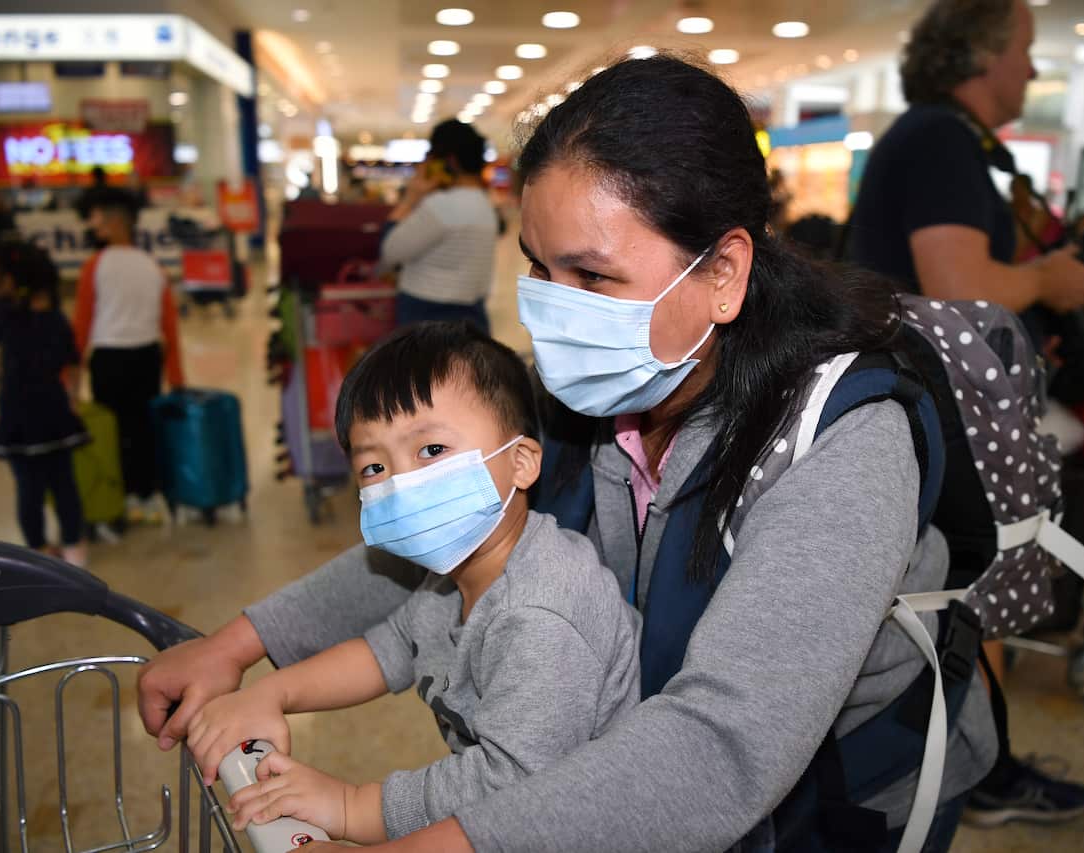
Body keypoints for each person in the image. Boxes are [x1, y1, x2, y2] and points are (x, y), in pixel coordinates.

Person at [138, 55, 998, 852]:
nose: (555, 313)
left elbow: (720, 748)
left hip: (847, 793)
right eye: (539, 270)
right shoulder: (594, 392)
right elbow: (445, 525)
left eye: (592, 277)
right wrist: (238, 643)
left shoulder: (843, 438)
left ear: (725, 271)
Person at [185, 321, 641, 843]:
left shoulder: (543, 613)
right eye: (374, 466)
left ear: (520, 462)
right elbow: (394, 645)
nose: (402, 484)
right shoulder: (454, 574)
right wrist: (272, 693)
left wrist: (350, 806)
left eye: (430, 451)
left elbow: (511, 787)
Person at [847, 0, 1084, 830]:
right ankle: (979, 763)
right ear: (982, 53)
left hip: (919, 396)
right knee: (970, 584)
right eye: (1025, 49)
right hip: (936, 402)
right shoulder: (939, 139)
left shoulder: (933, 137)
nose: (1032, 68)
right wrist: (1050, 280)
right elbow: (958, 286)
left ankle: (978, 756)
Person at [0, 241, 88, 567]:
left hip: (17, 416)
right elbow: (73, 364)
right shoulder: (57, 319)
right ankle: (75, 549)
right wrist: (73, 399)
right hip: (55, 411)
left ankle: (39, 551)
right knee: (64, 484)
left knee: (28, 489)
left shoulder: (5, 317)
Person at [73, 188, 184, 524]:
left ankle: (119, 501)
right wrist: (176, 377)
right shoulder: (153, 266)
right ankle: (147, 496)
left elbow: (81, 324)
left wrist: (72, 379)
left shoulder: (95, 266)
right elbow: (169, 327)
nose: (93, 226)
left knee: (114, 431)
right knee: (144, 427)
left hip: (109, 359)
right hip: (146, 358)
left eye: (98, 219)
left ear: (115, 222)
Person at [379, 120, 498, 333]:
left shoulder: (442, 205)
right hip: (473, 314)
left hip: (426, 316)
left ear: (449, 161)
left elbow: (390, 251)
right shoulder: (484, 204)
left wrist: (410, 198)